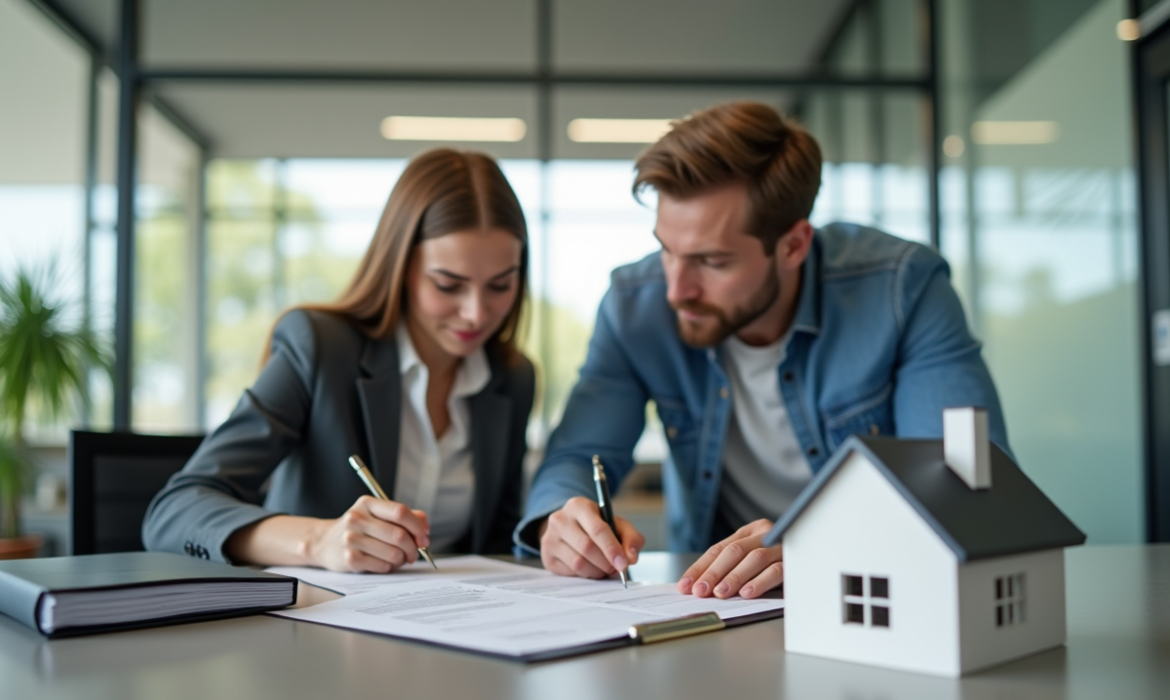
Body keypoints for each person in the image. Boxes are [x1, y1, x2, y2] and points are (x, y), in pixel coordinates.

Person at [515, 101, 1009, 600]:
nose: (676, 289)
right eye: (667, 249)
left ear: (794, 245)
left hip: (877, 593)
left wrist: (817, 545)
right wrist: (560, 522)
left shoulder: (902, 290)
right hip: (714, 602)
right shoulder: (633, 305)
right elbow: (578, 455)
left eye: (712, 261)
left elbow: (965, 483)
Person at [144, 149, 535, 572]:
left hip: (461, 622)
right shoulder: (319, 348)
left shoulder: (511, 379)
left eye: (500, 285)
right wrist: (316, 541)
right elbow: (174, 511)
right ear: (400, 267)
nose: (476, 313)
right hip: (319, 622)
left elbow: (500, 540)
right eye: (447, 285)